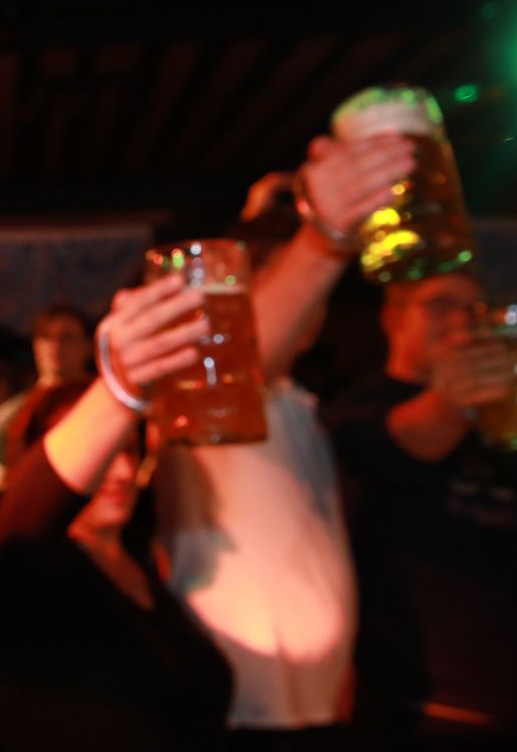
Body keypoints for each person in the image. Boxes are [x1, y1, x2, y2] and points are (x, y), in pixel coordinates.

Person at [154, 133, 417, 749]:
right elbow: (241, 354)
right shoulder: (192, 394)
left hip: (316, 706)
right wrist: (321, 240)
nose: (306, 304)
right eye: (269, 283)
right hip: (244, 711)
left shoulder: (302, 406)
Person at [0, 274, 233, 752]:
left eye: (129, 451)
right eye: (103, 458)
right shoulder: (31, 571)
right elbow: (26, 513)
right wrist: (121, 390)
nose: (122, 472)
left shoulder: (139, 552)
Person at [325, 271, 517, 747]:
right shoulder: (360, 408)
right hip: (421, 714)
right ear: (393, 317)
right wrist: (454, 404)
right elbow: (397, 445)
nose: (464, 322)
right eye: (440, 304)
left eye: (478, 309)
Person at [0, 305, 93, 490]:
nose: (56, 346)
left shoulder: (102, 406)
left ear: (87, 346)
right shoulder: (10, 415)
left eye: (67, 337)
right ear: (35, 345)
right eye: (46, 337)